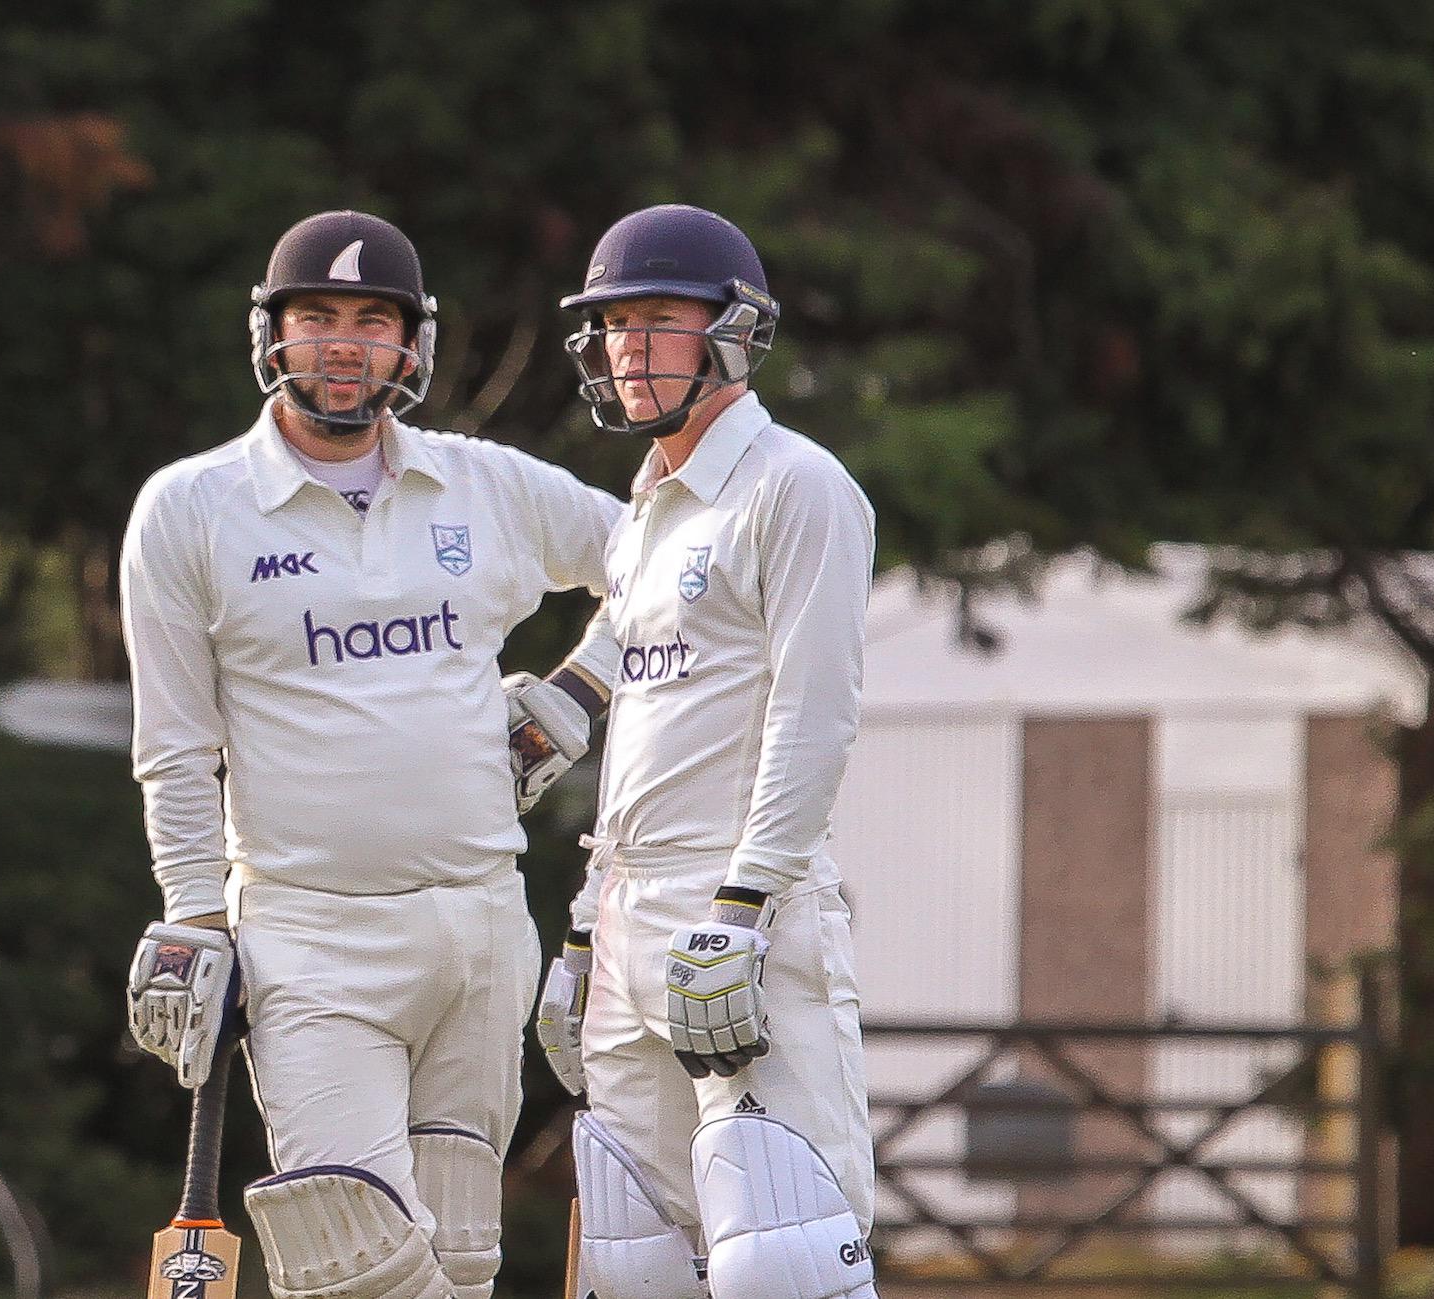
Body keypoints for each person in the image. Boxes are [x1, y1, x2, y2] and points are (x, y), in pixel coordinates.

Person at [118, 209, 623, 1299]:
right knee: (353, 1267)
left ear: (411, 343)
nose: (343, 344)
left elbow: (663, 565)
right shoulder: (192, 510)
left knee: (461, 1260)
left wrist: (581, 691)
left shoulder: (485, 486)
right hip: (309, 940)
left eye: (370, 320)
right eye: (317, 316)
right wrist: (194, 912)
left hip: (481, 926)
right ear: (273, 333)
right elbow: (175, 744)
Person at [524, 204, 884, 1299]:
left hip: (740, 910)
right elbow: (637, 721)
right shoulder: (647, 510)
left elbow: (814, 714)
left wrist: (744, 905)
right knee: (638, 1266)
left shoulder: (796, 485)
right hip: (629, 917)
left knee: (784, 1255)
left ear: (734, 330)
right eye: (613, 324)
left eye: (657, 320)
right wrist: (587, 927)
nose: (628, 347)